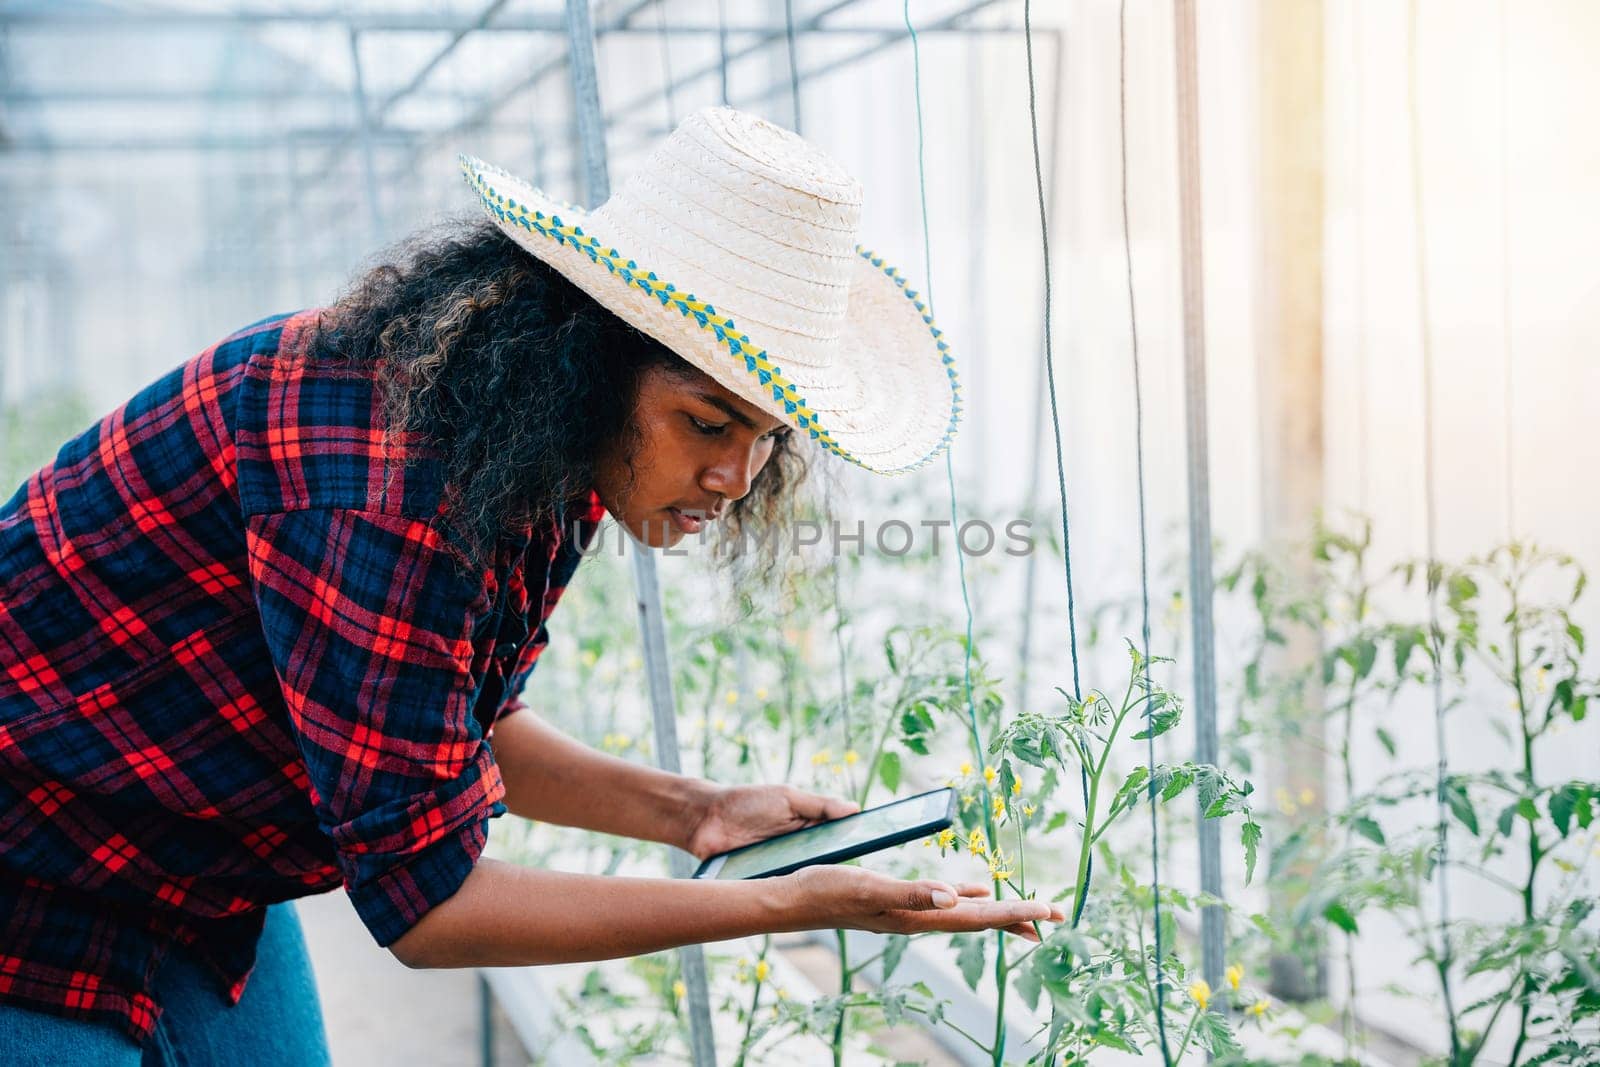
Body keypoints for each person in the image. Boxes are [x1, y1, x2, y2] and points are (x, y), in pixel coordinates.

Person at [0, 107, 1061, 1064]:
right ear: (590, 359)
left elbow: (466, 717)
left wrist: (698, 813)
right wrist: (782, 904)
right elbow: (429, 909)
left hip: (193, 864)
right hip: (32, 866)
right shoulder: (379, 487)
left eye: (765, 434)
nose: (735, 478)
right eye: (705, 421)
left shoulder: (534, 454)